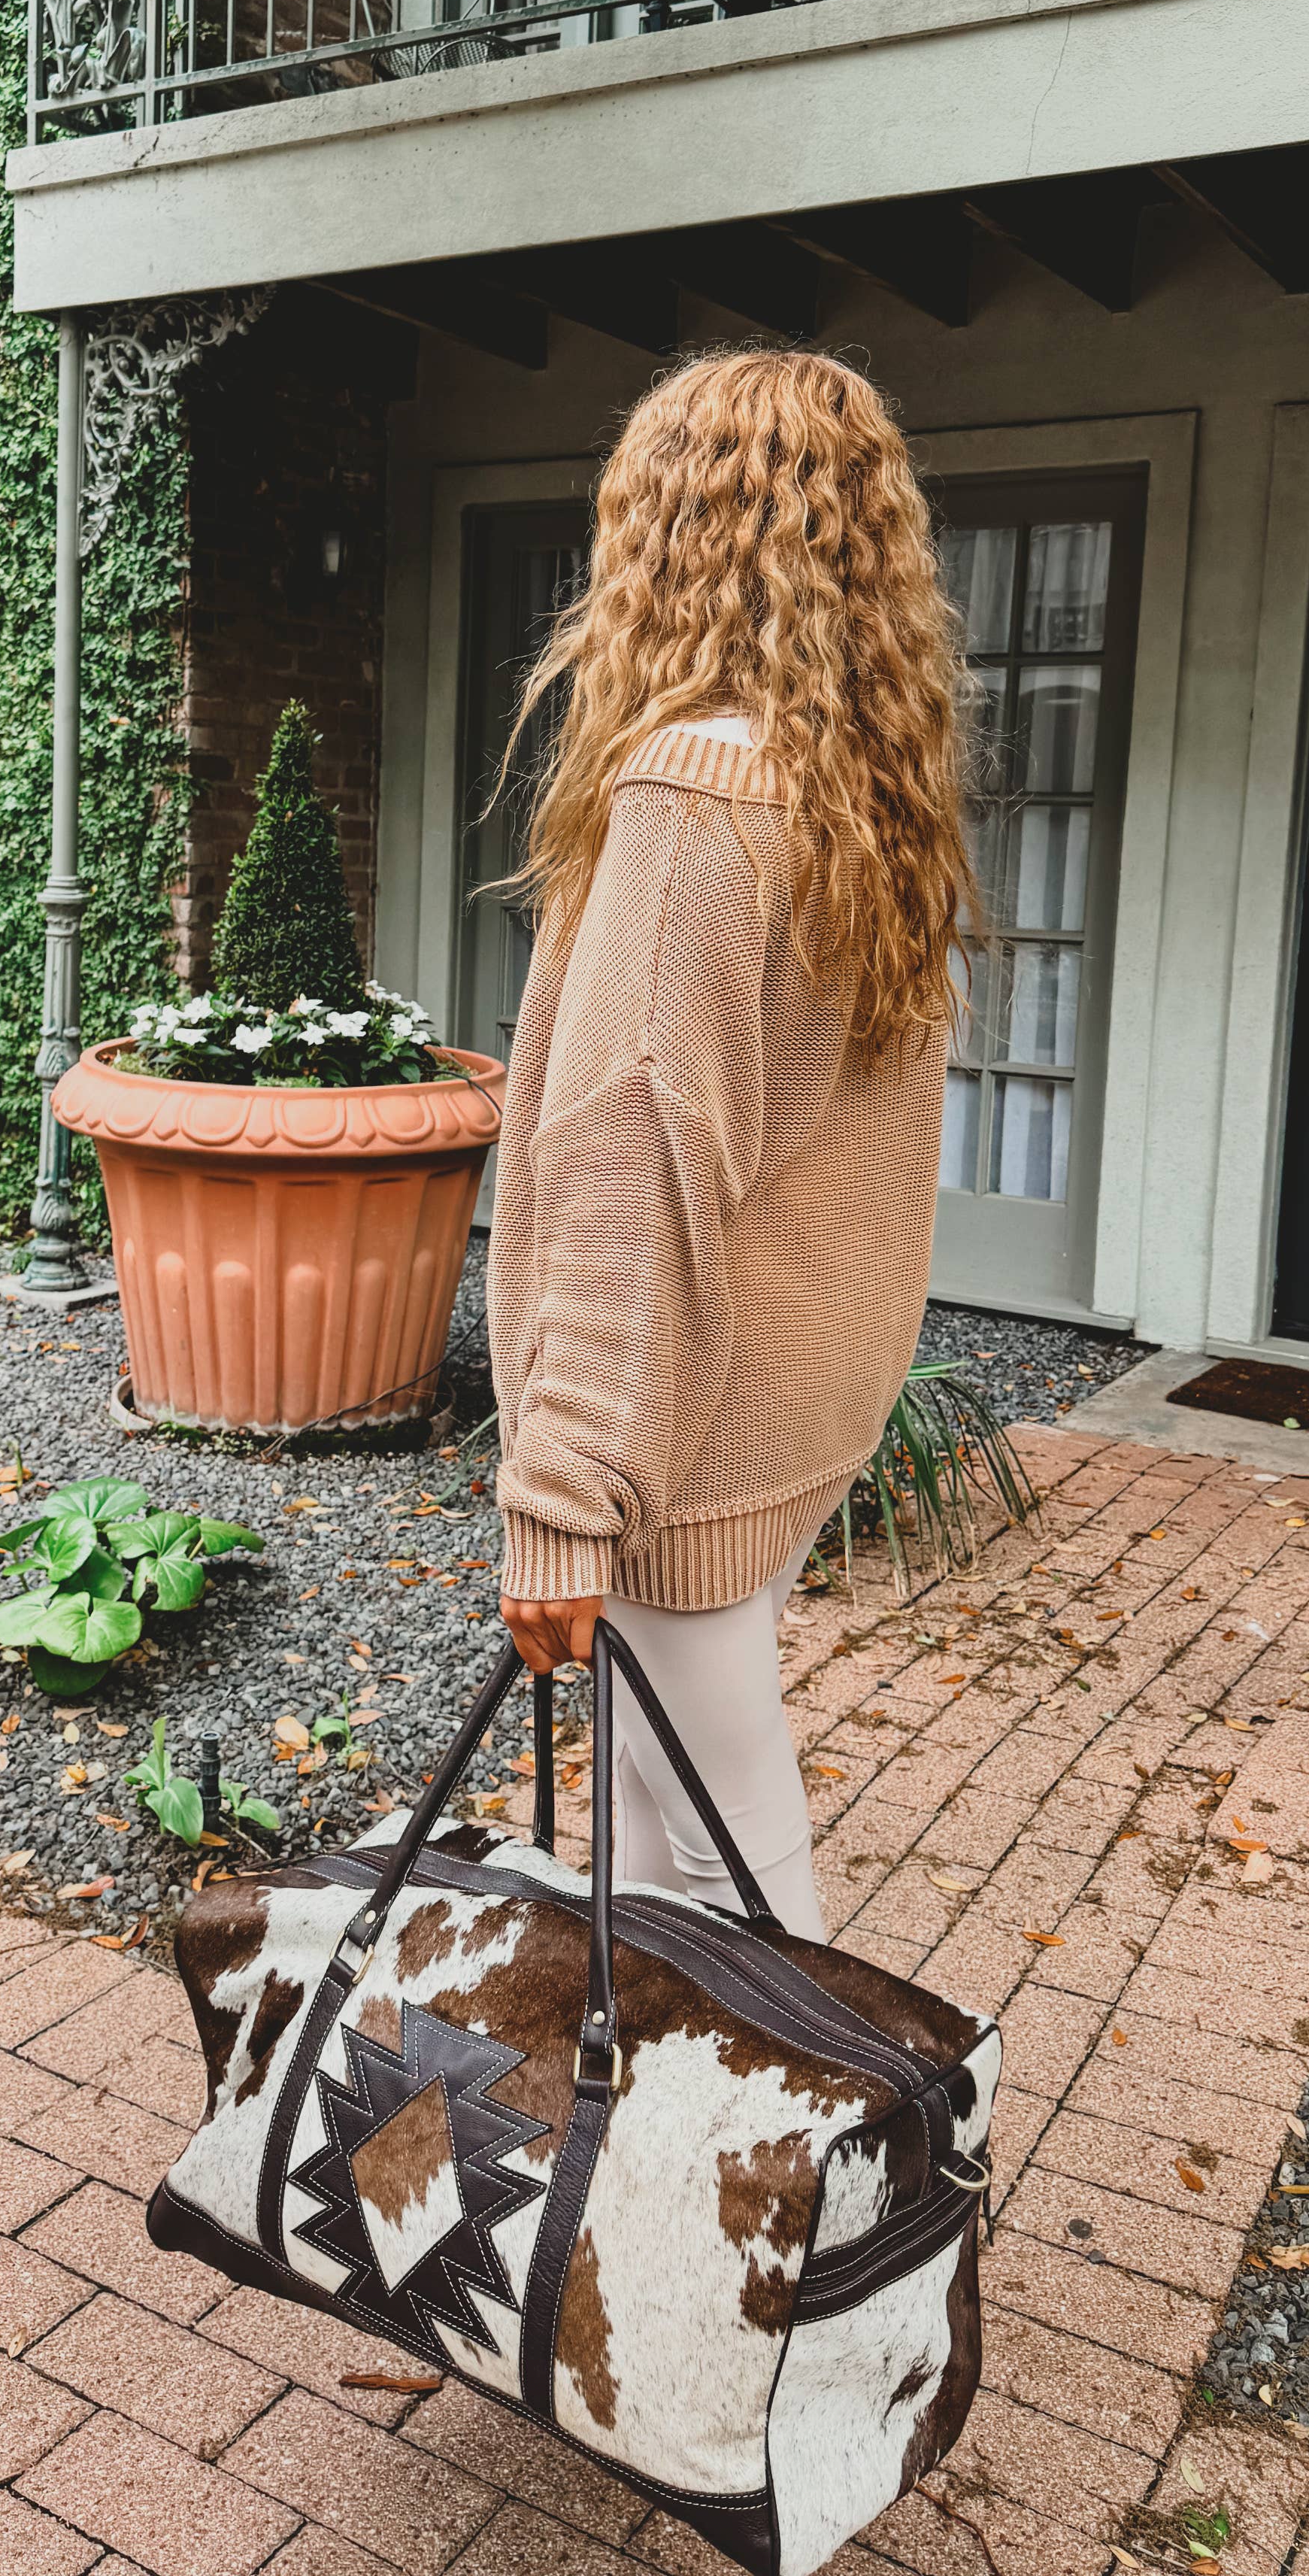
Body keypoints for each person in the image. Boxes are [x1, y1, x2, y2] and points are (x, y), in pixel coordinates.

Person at [489, 347, 973, 1942]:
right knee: (654, 1804)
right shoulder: (849, 799)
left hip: (681, 1439)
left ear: (672, 535)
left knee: (723, 1846)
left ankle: (813, 2156)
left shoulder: (698, 793)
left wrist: (562, 1497)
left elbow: (640, 1161)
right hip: (773, 1402)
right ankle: (666, 2140)